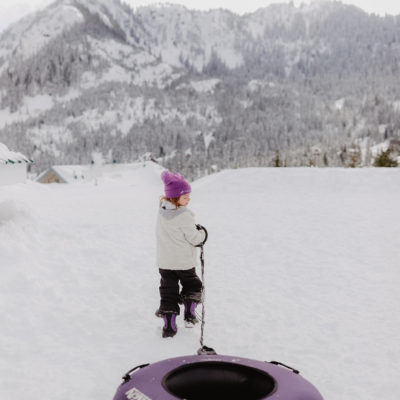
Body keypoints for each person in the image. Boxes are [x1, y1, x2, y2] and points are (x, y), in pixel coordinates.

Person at [156, 170, 207, 338]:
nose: (188, 200)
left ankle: (169, 326)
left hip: (165, 262)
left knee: (168, 291)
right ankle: (189, 314)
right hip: (183, 262)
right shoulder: (184, 215)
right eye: (185, 197)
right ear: (175, 199)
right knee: (192, 285)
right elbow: (193, 238)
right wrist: (203, 234)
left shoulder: (162, 212)